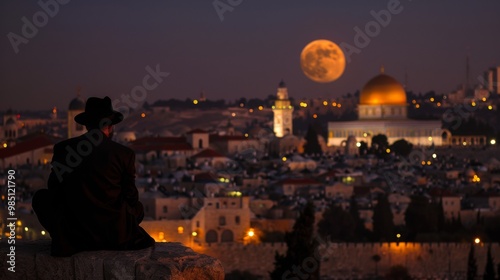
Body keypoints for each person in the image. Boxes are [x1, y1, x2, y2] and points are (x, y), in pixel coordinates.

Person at [32, 96, 155, 257]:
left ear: (86, 125)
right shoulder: (124, 154)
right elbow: (131, 198)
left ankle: (66, 239)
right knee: (137, 208)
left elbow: (54, 189)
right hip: (114, 235)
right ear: (110, 127)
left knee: (40, 198)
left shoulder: (63, 148)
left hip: (74, 234)